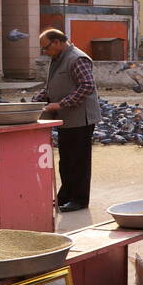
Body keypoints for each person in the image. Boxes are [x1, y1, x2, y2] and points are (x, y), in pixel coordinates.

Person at [35, 29, 100, 212]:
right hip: (66, 118)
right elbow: (51, 87)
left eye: (46, 47)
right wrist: (34, 102)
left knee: (78, 160)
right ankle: (65, 196)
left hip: (80, 118)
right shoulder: (58, 59)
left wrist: (60, 104)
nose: (45, 52)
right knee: (66, 160)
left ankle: (79, 199)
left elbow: (87, 86)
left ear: (56, 42)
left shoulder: (77, 58)